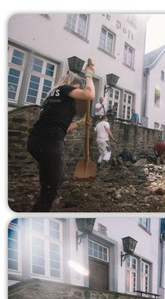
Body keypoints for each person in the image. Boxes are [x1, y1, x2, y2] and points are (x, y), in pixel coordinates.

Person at [27, 61, 95, 211]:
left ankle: (46, 198)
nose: (77, 94)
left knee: (56, 176)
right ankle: (40, 211)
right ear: (74, 85)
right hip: (50, 142)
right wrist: (89, 74)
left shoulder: (52, 95)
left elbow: (59, 126)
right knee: (50, 189)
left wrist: (80, 123)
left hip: (37, 140)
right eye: (78, 89)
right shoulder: (65, 89)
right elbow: (89, 94)